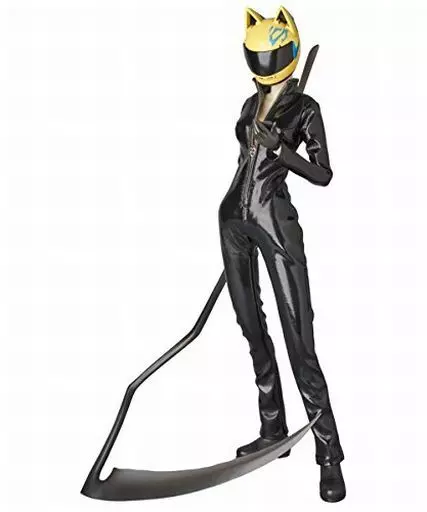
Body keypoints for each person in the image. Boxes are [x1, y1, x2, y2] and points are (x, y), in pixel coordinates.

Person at [218, 6, 346, 503]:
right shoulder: (249, 104)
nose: (264, 62)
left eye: (272, 52)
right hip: (232, 223)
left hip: (276, 226)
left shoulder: (305, 108)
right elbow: (242, 164)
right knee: (252, 330)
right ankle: (273, 428)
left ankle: (329, 453)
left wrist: (281, 151)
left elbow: (324, 174)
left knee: (300, 342)